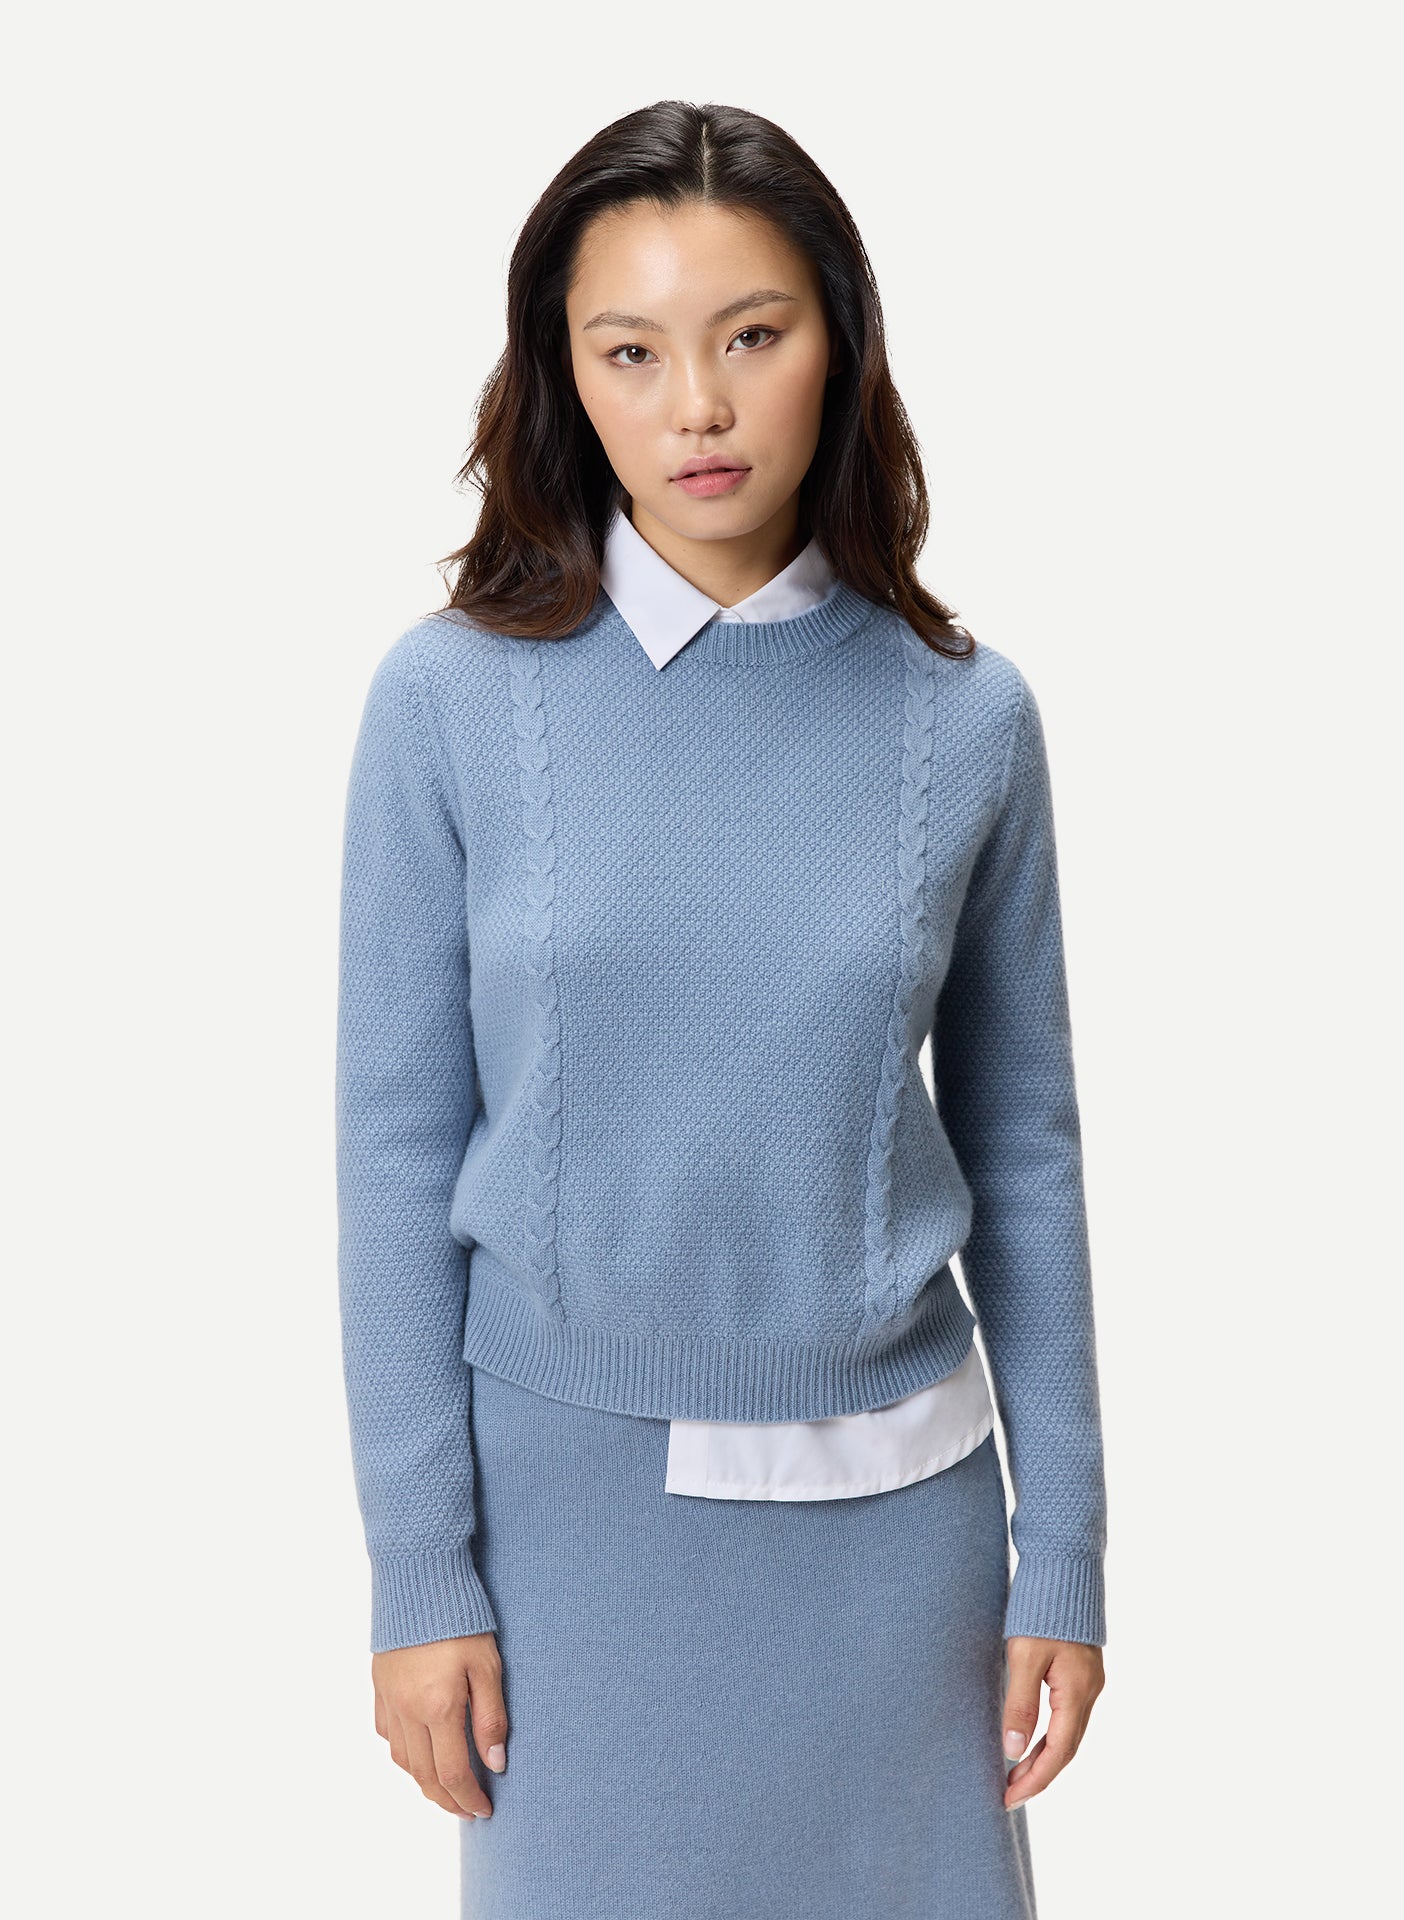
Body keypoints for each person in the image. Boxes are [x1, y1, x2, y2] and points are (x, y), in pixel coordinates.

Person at [335, 97, 1108, 1920]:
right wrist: (418, 1571)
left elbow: (1026, 1147)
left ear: (840, 342)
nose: (698, 404)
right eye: (633, 351)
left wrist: (1064, 1550)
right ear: (566, 377)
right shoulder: (449, 705)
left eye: (752, 335)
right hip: (565, 1547)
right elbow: (394, 1153)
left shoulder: (967, 718)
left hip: (902, 1540)